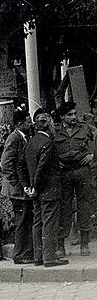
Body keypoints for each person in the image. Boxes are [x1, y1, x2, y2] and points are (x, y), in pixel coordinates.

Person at [18, 110, 68, 267]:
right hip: (48, 191)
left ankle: (39, 256)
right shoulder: (48, 143)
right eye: (53, 124)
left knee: (38, 222)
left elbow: (20, 166)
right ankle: (50, 258)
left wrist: (27, 186)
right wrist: (35, 186)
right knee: (50, 224)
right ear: (48, 125)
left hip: (36, 192)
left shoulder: (30, 142)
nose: (54, 127)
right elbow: (42, 168)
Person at [52, 101, 94, 256]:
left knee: (84, 206)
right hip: (65, 173)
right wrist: (56, 162)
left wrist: (92, 155)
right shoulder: (55, 131)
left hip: (82, 171)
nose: (74, 117)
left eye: (75, 113)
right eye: (69, 114)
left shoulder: (85, 128)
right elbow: (49, 150)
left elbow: (95, 143)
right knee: (64, 208)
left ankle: (84, 243)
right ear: (62, 116)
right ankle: (61, 245)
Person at [0, 110, 35, 264]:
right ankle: (20, 255)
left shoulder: (23, 137)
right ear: (20, 123)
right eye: (28, 121)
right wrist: (17, 184)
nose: (31, 124)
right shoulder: (14, 138)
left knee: (26, 219)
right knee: (21, 221)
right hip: (17, 190)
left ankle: (25, 252)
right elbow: (6, 164)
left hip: (20, 188)